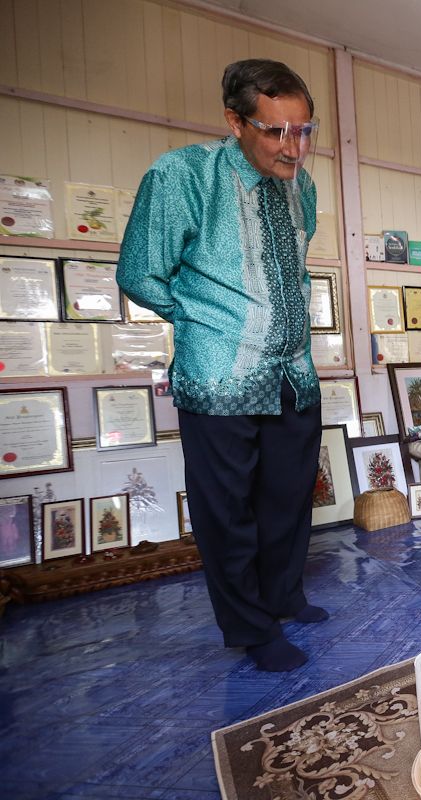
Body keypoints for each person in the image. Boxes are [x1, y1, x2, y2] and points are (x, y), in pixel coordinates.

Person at [117, 59, 324, 672]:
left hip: (293, 374)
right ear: (235, 122)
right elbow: (139, 272)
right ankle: (251, 628)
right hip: (219, 376)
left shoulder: (303, 188)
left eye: (303, 130)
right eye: (276, 131)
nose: (293, 147)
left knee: (288, 498)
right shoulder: (181, 175)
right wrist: (206, 319)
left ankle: (283, 597)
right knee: (227, 511)